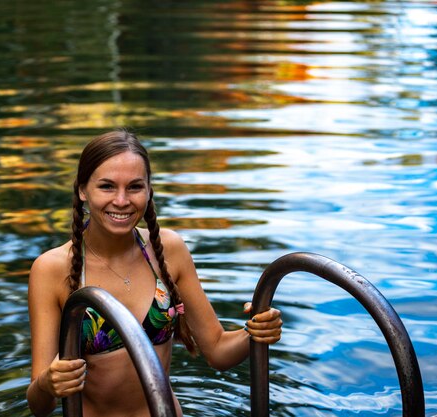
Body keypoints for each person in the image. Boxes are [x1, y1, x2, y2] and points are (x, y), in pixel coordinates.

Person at [26, 129, 283, 417]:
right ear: (83, 190)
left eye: (135, 187)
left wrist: (256, 331)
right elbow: (39, 405)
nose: (122, 201)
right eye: (107, 186)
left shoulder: (169, 250)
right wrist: (49, 383)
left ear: (149, 191)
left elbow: (218, 351)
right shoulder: (51, 269)